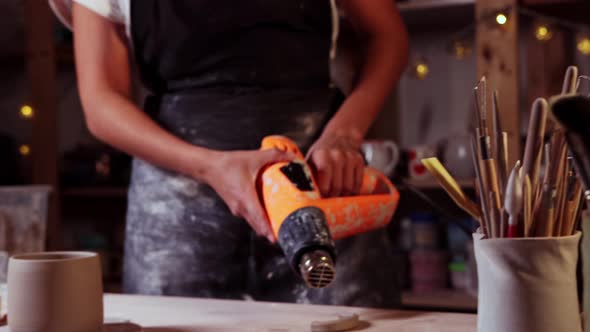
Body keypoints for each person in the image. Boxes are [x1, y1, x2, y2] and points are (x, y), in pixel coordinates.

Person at [49, 0, 409, 308]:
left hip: (313, 181)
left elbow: (386, 37)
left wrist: (343, 135)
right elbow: (100, 103)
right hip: (177, 197)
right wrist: (210, 167)